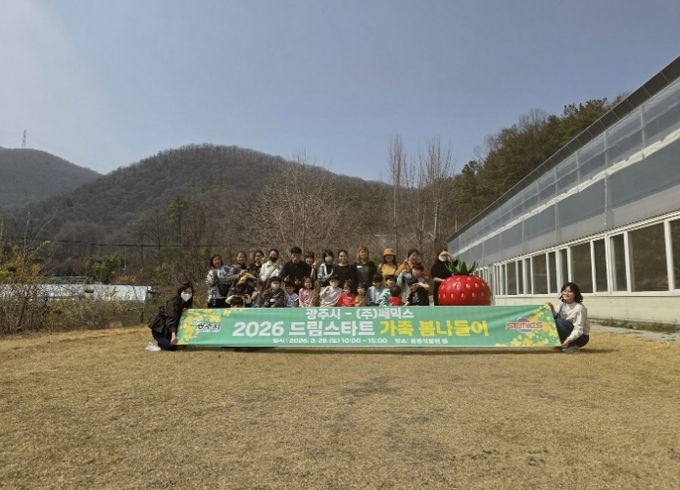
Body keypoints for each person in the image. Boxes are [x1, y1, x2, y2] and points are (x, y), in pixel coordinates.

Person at [147, 283, 193, 352]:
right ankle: (158, 343)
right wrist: (173, 335)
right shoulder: (174, 303)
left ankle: (165, 341)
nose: (187, 294)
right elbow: (171, 320)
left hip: (169, 330)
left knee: (180, 344)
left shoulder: (186, 303)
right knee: (172, 347)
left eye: (189, 292)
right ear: (180, 291)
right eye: (185, 292)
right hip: (160, 329)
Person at [546, 282, 590, 352]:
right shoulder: (562, 304)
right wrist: (551, 308)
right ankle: (563, 344)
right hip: (568, 331)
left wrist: (568, 340)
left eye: (570, 292)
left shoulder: (579, 308)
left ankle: (572, 345)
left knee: (558, 322)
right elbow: (555, 316)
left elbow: (579, 329)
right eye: (565, 291)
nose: (566, 293)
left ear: (575, 294)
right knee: (551, 320)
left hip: (581, 337)